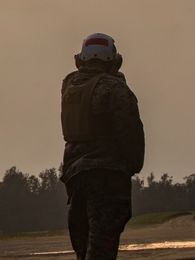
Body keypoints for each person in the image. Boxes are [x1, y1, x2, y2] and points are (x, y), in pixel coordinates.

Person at [60, 33, 144, 260]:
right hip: (107, 178)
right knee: (102, 249)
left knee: (83, 246)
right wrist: (132, 165)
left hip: (74, 177)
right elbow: (131, 134)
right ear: (113, 60)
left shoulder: (69, 85)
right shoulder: (115, 88)